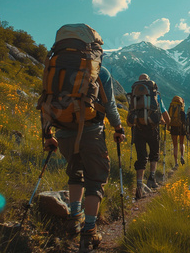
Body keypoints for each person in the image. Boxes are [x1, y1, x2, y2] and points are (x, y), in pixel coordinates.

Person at [44, 66, 125, 252]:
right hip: (91, 131)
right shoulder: (100, 71)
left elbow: (46, 99)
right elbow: (110, 104)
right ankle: (89, 231)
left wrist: (47, 134)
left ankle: (74, 218)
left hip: (63, 131)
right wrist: (118, 129)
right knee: (95, 179)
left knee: (74, 173)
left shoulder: (56, 67)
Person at [128, 74, 170, 200]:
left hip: (138, 130)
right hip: (152, 129)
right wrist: (164, 123)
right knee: (154, 154)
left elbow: (128, 120)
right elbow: (167, 117)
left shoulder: (134, 97)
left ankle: (139, 185)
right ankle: (151, 179)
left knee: (141, 157)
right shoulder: (155, 96)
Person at [168, 96, 186, 169]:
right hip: (181, 127)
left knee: (175, 144)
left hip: (173, 127)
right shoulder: (181, 108)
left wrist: (168, 127)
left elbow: (169, 117)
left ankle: (176, 163)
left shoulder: (171, 107)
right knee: (181, 143)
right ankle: (182, 156)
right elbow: (184, 120)